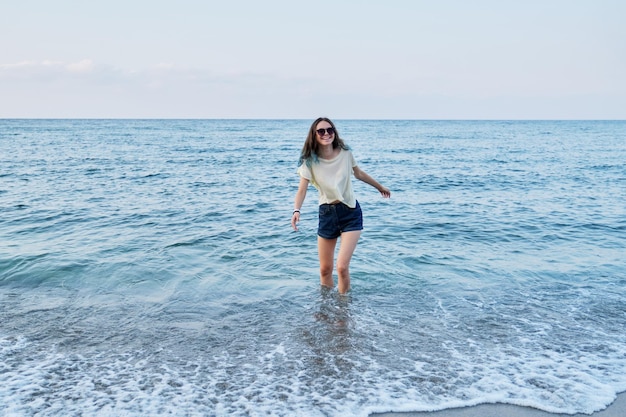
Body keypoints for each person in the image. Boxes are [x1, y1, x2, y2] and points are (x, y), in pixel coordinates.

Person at [291, 117, 391, 294]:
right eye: (321, 131)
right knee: (324, 270)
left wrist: (379, 187)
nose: (326, 133)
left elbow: (358, 173)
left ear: (334, 132)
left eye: (330, 130)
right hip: (327, 214)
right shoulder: (309, 161)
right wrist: (296, 210)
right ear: (314, 135)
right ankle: (327, 309)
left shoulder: (345, 153)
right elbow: (301, 190)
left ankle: (343, 309)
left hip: (350, 212)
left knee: (342, 267)